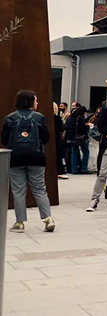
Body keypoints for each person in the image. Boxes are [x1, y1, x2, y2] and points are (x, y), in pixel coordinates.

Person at [1, 90, 55, 233]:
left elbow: (4, 140)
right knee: (39, 189)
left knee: (18, 191)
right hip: (36, 157)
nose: (37, 103)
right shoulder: (39, 118)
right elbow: (46, 138)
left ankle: (19, 223)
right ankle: (47, 218)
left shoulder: (10, 118)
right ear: (30, 102)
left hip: (16, 158)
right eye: (35, 100)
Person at [68, 106, 90, 174]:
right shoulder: (80, 118)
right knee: (86, 152)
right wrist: (87, 126)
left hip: (72, 137)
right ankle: (84, 168)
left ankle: (74, 169)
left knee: (74, 152)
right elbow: (82, 128)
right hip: (80, 137)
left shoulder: (71, 118)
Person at [52, 103, 68, 179]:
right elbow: (62, 128)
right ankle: (59, 170)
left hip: (50, 138)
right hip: (56, 138)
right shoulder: (57, 119)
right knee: (57, 155)